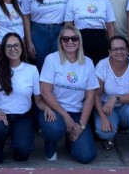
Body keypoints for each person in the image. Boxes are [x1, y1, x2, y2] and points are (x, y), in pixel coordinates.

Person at [39, 26, 99, 164]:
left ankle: (70, 140)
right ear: (60, 42)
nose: (70, 42)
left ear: (79, 41)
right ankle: (51, 143)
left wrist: (81, 126)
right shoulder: (52, 59)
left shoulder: (88, 62)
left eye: (74, 38)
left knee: (86, 156)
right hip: (55, 110)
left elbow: (90, 97)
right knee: (54, 128)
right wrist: (66, 118)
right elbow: (45, 92)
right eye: (65, 39)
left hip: (77, 112)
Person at [0, 32, 47, 163]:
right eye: (8, 46)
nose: (12, 49)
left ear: (22, 47)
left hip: (22, 117)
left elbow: (38, 100)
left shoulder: (32, 70)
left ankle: (15, 139)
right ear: (3, 49)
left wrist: (47, 108)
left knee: (22, 155)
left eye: (16, 45)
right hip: (1, 116)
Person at [94, 36, 129, 163]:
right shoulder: (102, 65)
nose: (119, 52)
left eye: (123, 48)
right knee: (105, 132)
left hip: (127, 107)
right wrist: (103, 117)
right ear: (109, 52)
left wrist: (116, 98)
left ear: (128, 50)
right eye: (115, 49)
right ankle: (110, 138)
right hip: (107, 108)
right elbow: (95, 94)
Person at [22, 0, 70, 71]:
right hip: (38, 34)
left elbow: (70, 16)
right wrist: (28, 42)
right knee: (40, 67)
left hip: (59, 33)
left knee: (59, 67)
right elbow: (25, 16)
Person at [65, 0, 116, 64]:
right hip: (80, 43)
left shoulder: (104, 1)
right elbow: (68, 27)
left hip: (101, 42)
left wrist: (112, 47)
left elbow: (110, 27)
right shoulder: (73, 1)